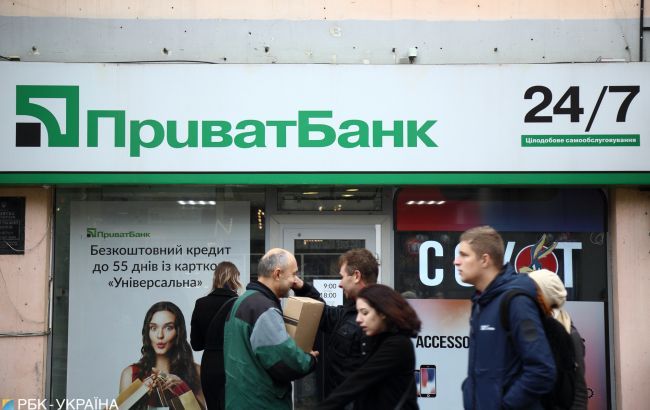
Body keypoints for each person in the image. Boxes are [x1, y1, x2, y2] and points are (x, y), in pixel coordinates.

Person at [455, 226, 556, 410]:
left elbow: (541, 370)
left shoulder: (516, 302)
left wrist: (505, 405)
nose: (456, 261)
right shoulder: (482, 301)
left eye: (464, 255)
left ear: (484, 259)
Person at [223, 248, 318, 409]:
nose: (295, 281)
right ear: (278, 274)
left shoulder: (242, 301)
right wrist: (310, 360)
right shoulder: (264, 309)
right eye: (293, 274)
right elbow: (284, 361)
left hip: (240, 399)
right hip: (262, 403)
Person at [317, 284, 421, 410]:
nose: (358, 319)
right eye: (358, 312)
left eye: (365, 313)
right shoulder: (374, 339)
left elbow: (358, 380)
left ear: (382, 313)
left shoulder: (398, 345)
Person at [293, 248, 379, 399]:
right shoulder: (349, 311)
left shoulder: (376, 320)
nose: (340, 284)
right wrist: (303, 288)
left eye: (342, 277)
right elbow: (324, 314)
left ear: (356, 276)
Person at [119, 301, 206, 410]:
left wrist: (181, 388)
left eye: (168, 328)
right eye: (153, 328)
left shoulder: (196, 371)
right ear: (147, 332)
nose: (160, 335)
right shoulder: (130, 373)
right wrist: (139, 392)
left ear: (179, 332)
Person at [528, 269, 588, 410]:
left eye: (533, 291)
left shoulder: (569, 334)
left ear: (545, 296)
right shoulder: (528, 328)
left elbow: (578, 390)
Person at [190, 261, 242, 410]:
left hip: (210, 365)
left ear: (215, 278)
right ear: (235, 279)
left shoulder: (201, 304)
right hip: (234, 364)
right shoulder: (240, 304)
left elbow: (196, 345)